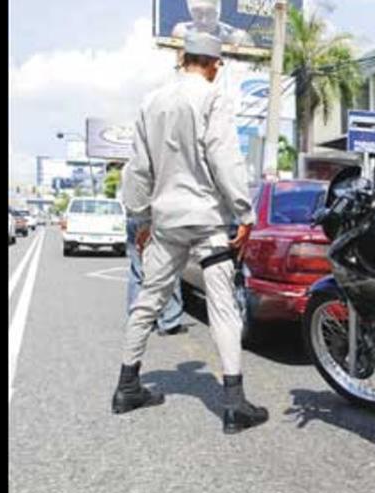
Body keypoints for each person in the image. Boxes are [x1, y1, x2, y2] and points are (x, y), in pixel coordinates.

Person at [111, 31, 267, 434]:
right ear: (214, 64)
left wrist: (141, 218)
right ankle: (233, 405)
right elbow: (224, 156)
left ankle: (127, 386)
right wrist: (244, 213)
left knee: (148, 301)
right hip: (207, 223)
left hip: (165, 224)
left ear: (182, 57)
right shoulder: (212, 96)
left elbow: (138, 168)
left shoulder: (152, 102)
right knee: (222, 307)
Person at [126, 214, 186, 336]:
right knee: (168, 268)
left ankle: (139, 320)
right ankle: (169, 322)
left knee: (138, 272)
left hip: (134, 218)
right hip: (157, 219)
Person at [172, 0, 256, 48]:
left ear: (218, 12)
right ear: (191, 13)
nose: (204, 21)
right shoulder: (181, 32)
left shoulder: (238, 37)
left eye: (210, 13)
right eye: (199, 14)